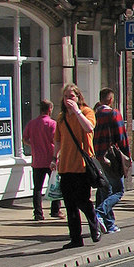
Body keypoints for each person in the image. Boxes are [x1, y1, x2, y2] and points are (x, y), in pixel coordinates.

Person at [52, 83, 101, 249]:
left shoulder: (87, 112)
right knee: (70, 205)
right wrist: (54, 158)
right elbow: (58, 140)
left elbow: (89, 128)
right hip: (65, 166)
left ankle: (94, 224)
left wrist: (78, 111)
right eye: (66, 97)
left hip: (82, 166)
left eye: (71, 96)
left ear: (78, 97)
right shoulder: (61, 117)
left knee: (83, 201)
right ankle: (75, 238)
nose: (68, 100)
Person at [93, 88, 130, 235]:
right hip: (112, 158)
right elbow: (122, 138)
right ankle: (99, 213)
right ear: (110, 100)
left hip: (97, 157)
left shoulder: (94, 115)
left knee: (104, 190)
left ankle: (109, 225)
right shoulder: (114, 114)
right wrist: (127, 157)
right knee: (118, 191)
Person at [22, 99, 64, 221]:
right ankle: (55, 210)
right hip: (51, 159)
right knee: (55, 185)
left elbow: (25, 139)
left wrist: (34, 144)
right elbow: (56, 141)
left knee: (37, 188)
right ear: (50, 109)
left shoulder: (32, 123)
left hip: (37, 160)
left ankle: (38, 213)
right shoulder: (52, 124)